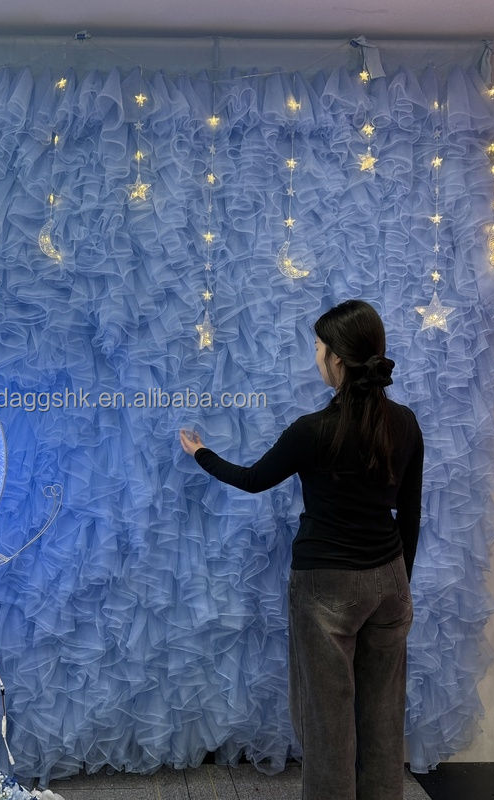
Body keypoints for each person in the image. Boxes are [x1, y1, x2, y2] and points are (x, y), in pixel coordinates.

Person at [180, 299, 423, 800]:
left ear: (337, 359)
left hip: (326, 585)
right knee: (383, 721)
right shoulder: (405, 423)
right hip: (390, 581)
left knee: (327, 721)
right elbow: (410, 513)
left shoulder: (312, 431)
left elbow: (252, 480)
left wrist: (201, 453)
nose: (314, 356)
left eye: (317, 347)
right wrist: (402, 584)